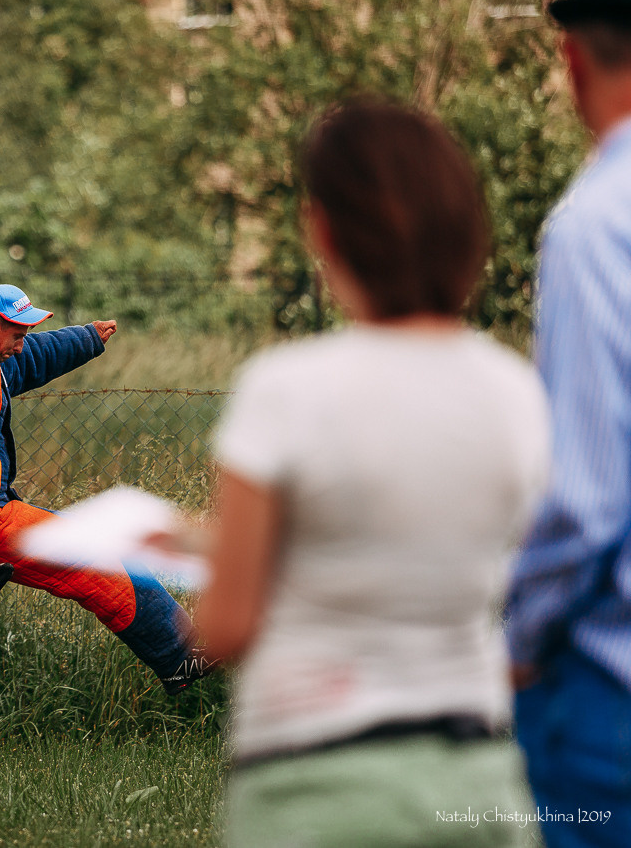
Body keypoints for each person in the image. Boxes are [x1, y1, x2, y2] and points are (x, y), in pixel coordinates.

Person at [190, 99, 551, 846]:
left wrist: (212, 555)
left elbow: (223, 628)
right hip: (479, 778)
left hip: (316, 781)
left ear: (322, 229)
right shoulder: (513, 389)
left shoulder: (286, 386)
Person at [0, 284, 210, 694]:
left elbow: (33, 360)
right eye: (17, 335)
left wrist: (86, 338)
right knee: (100, 558)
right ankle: (179, 657)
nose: (21, 344)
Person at [506, 0, 631, 844]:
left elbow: (585, 501)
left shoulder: (596, 223)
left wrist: (518, 637)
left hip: (608, 688)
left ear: (572, 60)